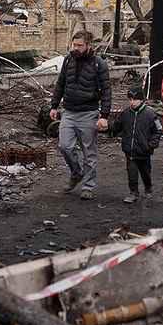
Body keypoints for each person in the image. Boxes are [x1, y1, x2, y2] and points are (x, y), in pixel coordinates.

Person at [49, 30, 112, 200]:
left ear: (89, 46)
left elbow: (106, 91)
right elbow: (61, 83)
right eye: (74, 45)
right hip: (68, 111)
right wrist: (54, 106)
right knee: (65, 146)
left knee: (89, 152)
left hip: (88, 113)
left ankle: (88, 186)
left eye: (80, 45)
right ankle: (76, 173)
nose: (76, 48)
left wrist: (104, 116)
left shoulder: (99, 64)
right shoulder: (68, 60)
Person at [118, 85, 163, 203]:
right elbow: (117, 126)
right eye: (130, 99)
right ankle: (133, 192)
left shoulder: (150, 114)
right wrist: (105, 127)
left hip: (144, 152)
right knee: (131, 173)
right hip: (130, 151)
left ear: (142, 100)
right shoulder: (126, 113)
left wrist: (151, 145)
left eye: (135, 99)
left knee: (145, 172)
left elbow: (158, 130)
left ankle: (148, 188)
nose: (132, 102)